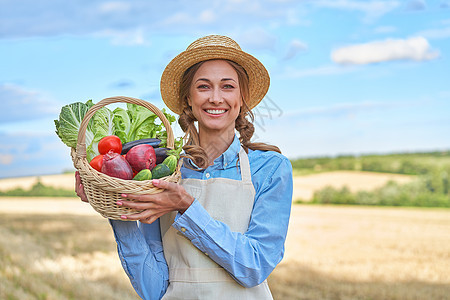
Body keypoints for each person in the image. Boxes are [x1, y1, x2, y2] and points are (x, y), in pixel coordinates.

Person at [76, 34, 293, 300]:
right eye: (203, 87)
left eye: (227, 86)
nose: (215, 98)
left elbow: (254, 266)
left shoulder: (270, 169)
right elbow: (154, 290)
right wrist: (119, 204)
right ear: (188, 99)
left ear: (242, 97)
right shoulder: (166, 172)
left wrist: (187, 208)